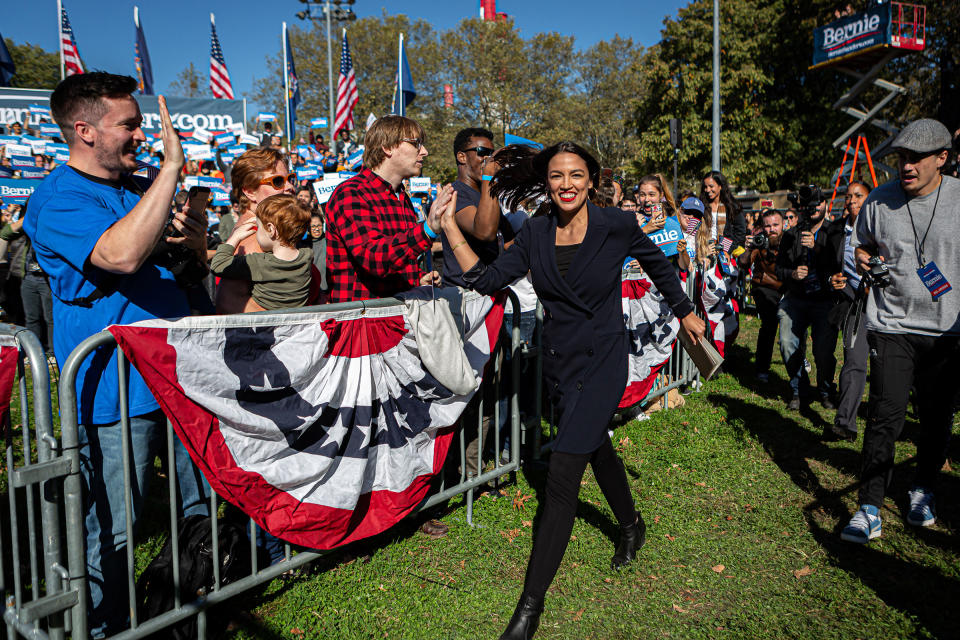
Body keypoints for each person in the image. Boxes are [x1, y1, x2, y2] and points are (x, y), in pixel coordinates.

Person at [441, 141, 705, 640]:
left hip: (605, 360)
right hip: (560, 363)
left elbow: (659, 266)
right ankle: (630, 523)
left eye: (576, 175)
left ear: (591, 180)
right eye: (558, 176)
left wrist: (685, 310)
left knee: (563, 472)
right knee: (595, 448)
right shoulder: (537, 232)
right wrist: (451, 228)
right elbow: (487, 279)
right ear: (548, 182)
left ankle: (528, 611)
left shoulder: (618, 226)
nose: (566, 184)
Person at [23, 72, 209, 637]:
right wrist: (172, 171)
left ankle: (183, 607)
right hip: (112, 390)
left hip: (176, 375)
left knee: (195, 505)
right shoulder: (58, 198)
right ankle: (100, 627)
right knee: (113, 526)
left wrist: (191, 234)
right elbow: (122, 256)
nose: (140, 135)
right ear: (84, 131)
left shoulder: (137, 184)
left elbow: (191, 259)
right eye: (127, 125)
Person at [842, 119, 960, 543]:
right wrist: (867, 260)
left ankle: (922, 489)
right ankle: (869, 507)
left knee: (935, 418)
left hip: (948, 331)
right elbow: (861, 244)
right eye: (900, 158)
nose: (905, 166)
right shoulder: (878, 200)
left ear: (942, 158)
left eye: (915, 158)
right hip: (892, 324)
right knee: (885, 416)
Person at [323, 115, 451, 303]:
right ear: (387, 147)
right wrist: (427, 230)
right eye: (416, 144)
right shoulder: (351, 194)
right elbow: (373, 257)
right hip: (362, 323)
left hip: (398, 319)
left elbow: (397, 261)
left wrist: (416, 278)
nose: (424, 151)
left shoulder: (401, 197)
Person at [774, 198, 842, 410]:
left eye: (818, 202)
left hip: (824, 300)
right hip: (796, 298)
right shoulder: (792, 234)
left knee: (823, 352)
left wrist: (818, 247)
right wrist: (792, 274)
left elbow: (839, 263)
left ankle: (825, 389)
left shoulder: (834, 232)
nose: (814, 208)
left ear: (826, 206)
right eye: (809, 204)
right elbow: (779, 268)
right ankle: (798, 388)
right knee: (787, 343)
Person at [214, 147, 296, 313]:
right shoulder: (254, 236)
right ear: (250, 192)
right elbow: (229, 304)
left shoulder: (267, 228)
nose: (289, 187)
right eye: (278, 181)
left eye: (291, 179)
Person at [824, 181, 872, 441]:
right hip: (855, 305)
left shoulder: (881, 228)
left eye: (858, 195)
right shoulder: (836, 232)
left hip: (887, 306)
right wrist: (832, 279)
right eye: (848, 196)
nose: (852, 200)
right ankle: (845, 423)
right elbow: (827, 266)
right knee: (853, 361)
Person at [211, 194, 312, 310]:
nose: (256, 231)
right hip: (293, 325)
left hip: (263, 326)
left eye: (258, 227)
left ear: (271, 229)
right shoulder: (307, 256)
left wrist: (236, 236)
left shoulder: (259, 263)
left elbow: (218, 264)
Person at [738, 209, 784, 382]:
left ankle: (798, 358)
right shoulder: (760, 241)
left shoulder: (790, 240)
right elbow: (743, 264)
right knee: (769, 324)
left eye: (775, 225)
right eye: (768, 226)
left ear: (783, 225)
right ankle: (762, 368)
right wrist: (750, 248)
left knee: (795, 324)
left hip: (787, 288)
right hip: (764, 287)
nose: (772, 229)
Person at [701, 170, 746, 249]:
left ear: (720, 186)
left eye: (711, 186)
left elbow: (740, 232)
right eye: (705, 187)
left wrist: (725, 249)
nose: (707, 190)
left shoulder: (732, 206)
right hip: (704, 250)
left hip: (726, 252)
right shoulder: (700, 206)